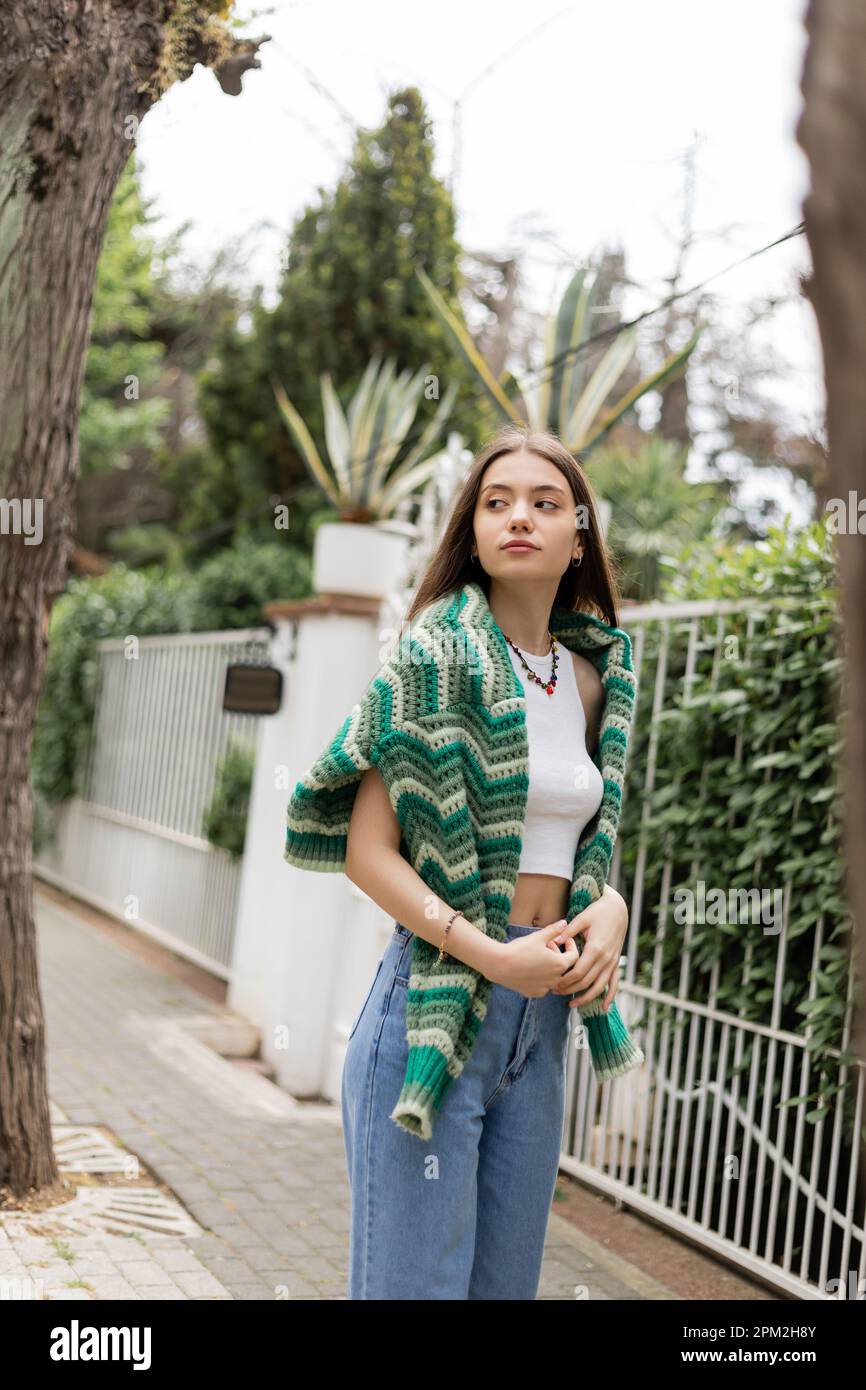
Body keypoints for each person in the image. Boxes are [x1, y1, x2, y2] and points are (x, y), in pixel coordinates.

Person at [285, 423, 642, 1299]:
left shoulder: (597, 680)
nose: (518, 516)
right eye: (496, 501)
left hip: (543, 1023)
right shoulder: (433, 658)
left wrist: (613, 908)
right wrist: (494, 957)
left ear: (579, 535)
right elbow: (368, 854)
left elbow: (583, 842)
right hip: (436, 1008)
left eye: (544, 503)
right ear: (473, 531)